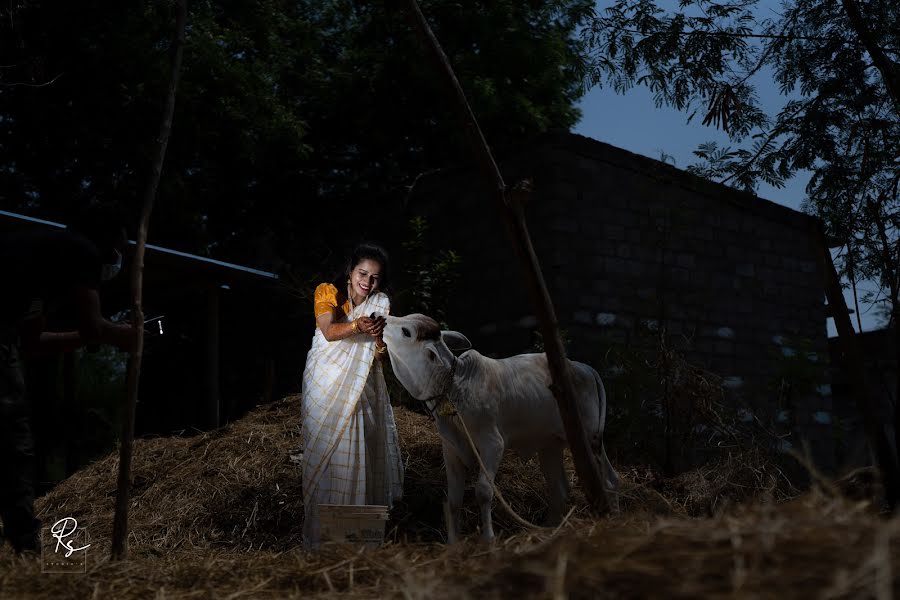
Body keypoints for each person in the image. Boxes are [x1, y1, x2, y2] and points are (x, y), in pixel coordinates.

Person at [0, 205, 136, 554]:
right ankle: (25, 547)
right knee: (13, 441)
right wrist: (121, 334)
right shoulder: (82, 251)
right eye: (117, 246)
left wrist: (87, 337)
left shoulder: (35, 264)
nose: (117, 257)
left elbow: (32, 344)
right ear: (103, 237)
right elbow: (94, 325)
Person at [300, 242, 404, 548]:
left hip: (360, 387)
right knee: (328, 453)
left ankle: (357, 542)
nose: (367, 282)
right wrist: (358, 325)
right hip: (327, 381)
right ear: (351, 270)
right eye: (362, 273)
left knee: (363, 451)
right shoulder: (327, 292)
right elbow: (329, 333)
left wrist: (377, 338)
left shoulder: (378, 305)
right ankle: (326, 541)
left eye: (374, 277)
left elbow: (378, 355)